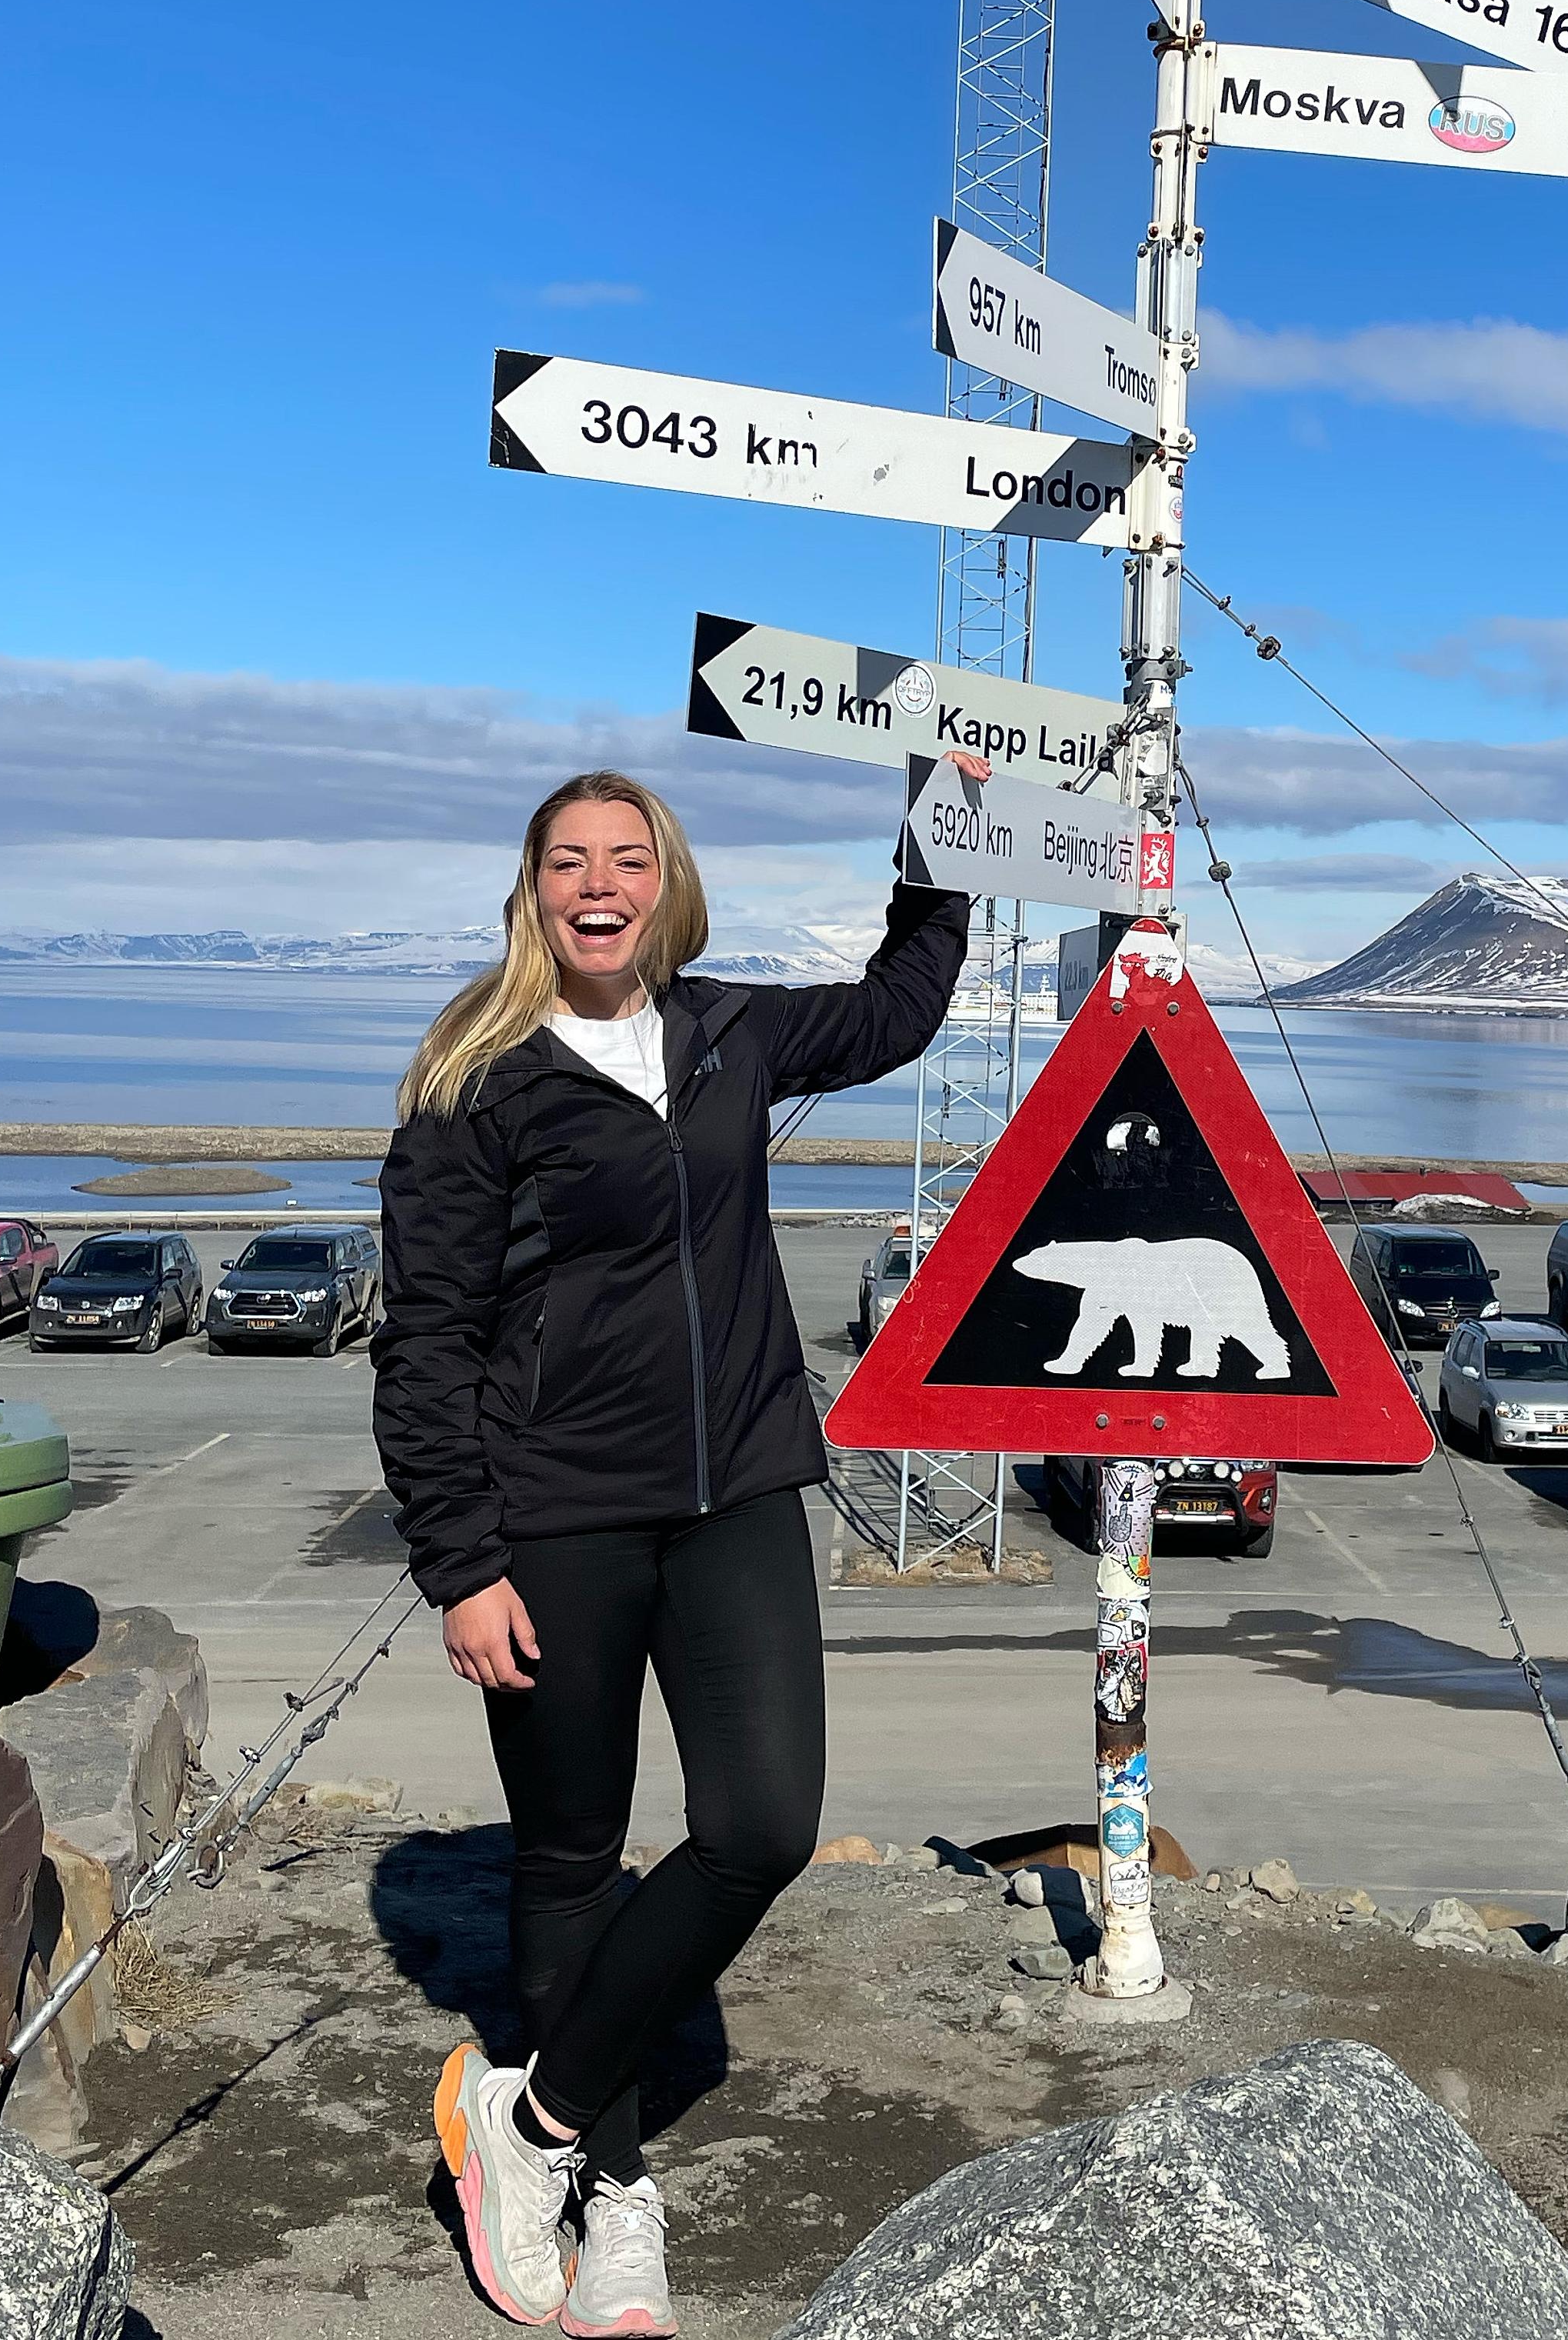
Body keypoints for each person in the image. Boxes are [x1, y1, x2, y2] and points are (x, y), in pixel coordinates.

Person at [372, 766, 970, 2333]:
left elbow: (901, 1006)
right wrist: (461, 1557)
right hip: (554, 1513)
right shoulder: (475, 1073)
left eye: (625, 857)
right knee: (568, 1856)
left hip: (740, 1491)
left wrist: (935, 834)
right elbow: (425, 1338)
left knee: (761, 1821)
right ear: (530, 888)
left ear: (666, 882)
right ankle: (615, 2200)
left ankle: (528, 2120)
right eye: (566, 858)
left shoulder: (727, 1031)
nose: (596, 882)